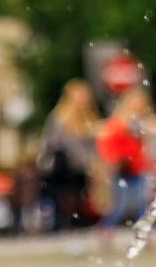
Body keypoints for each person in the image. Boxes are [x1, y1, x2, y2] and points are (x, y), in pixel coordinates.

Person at [37, 82, 97, 231]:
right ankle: (62, 223)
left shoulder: (88, 118)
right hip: (61, 167)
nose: (82, 102)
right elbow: (58, 144)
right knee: (62, 196)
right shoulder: (60, 118)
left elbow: (91, 145)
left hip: (78, 167)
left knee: (78, 196)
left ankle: (75, 221)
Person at [93, 91, 150, 230]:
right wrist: (113, 160)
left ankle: (143, 232)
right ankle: (105, 228)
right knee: (120, 205)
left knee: (141, 203)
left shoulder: (137, 123)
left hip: (136, 167)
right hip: (123, 167)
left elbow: (139, 146)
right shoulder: (117, 123)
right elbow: (107, 144)